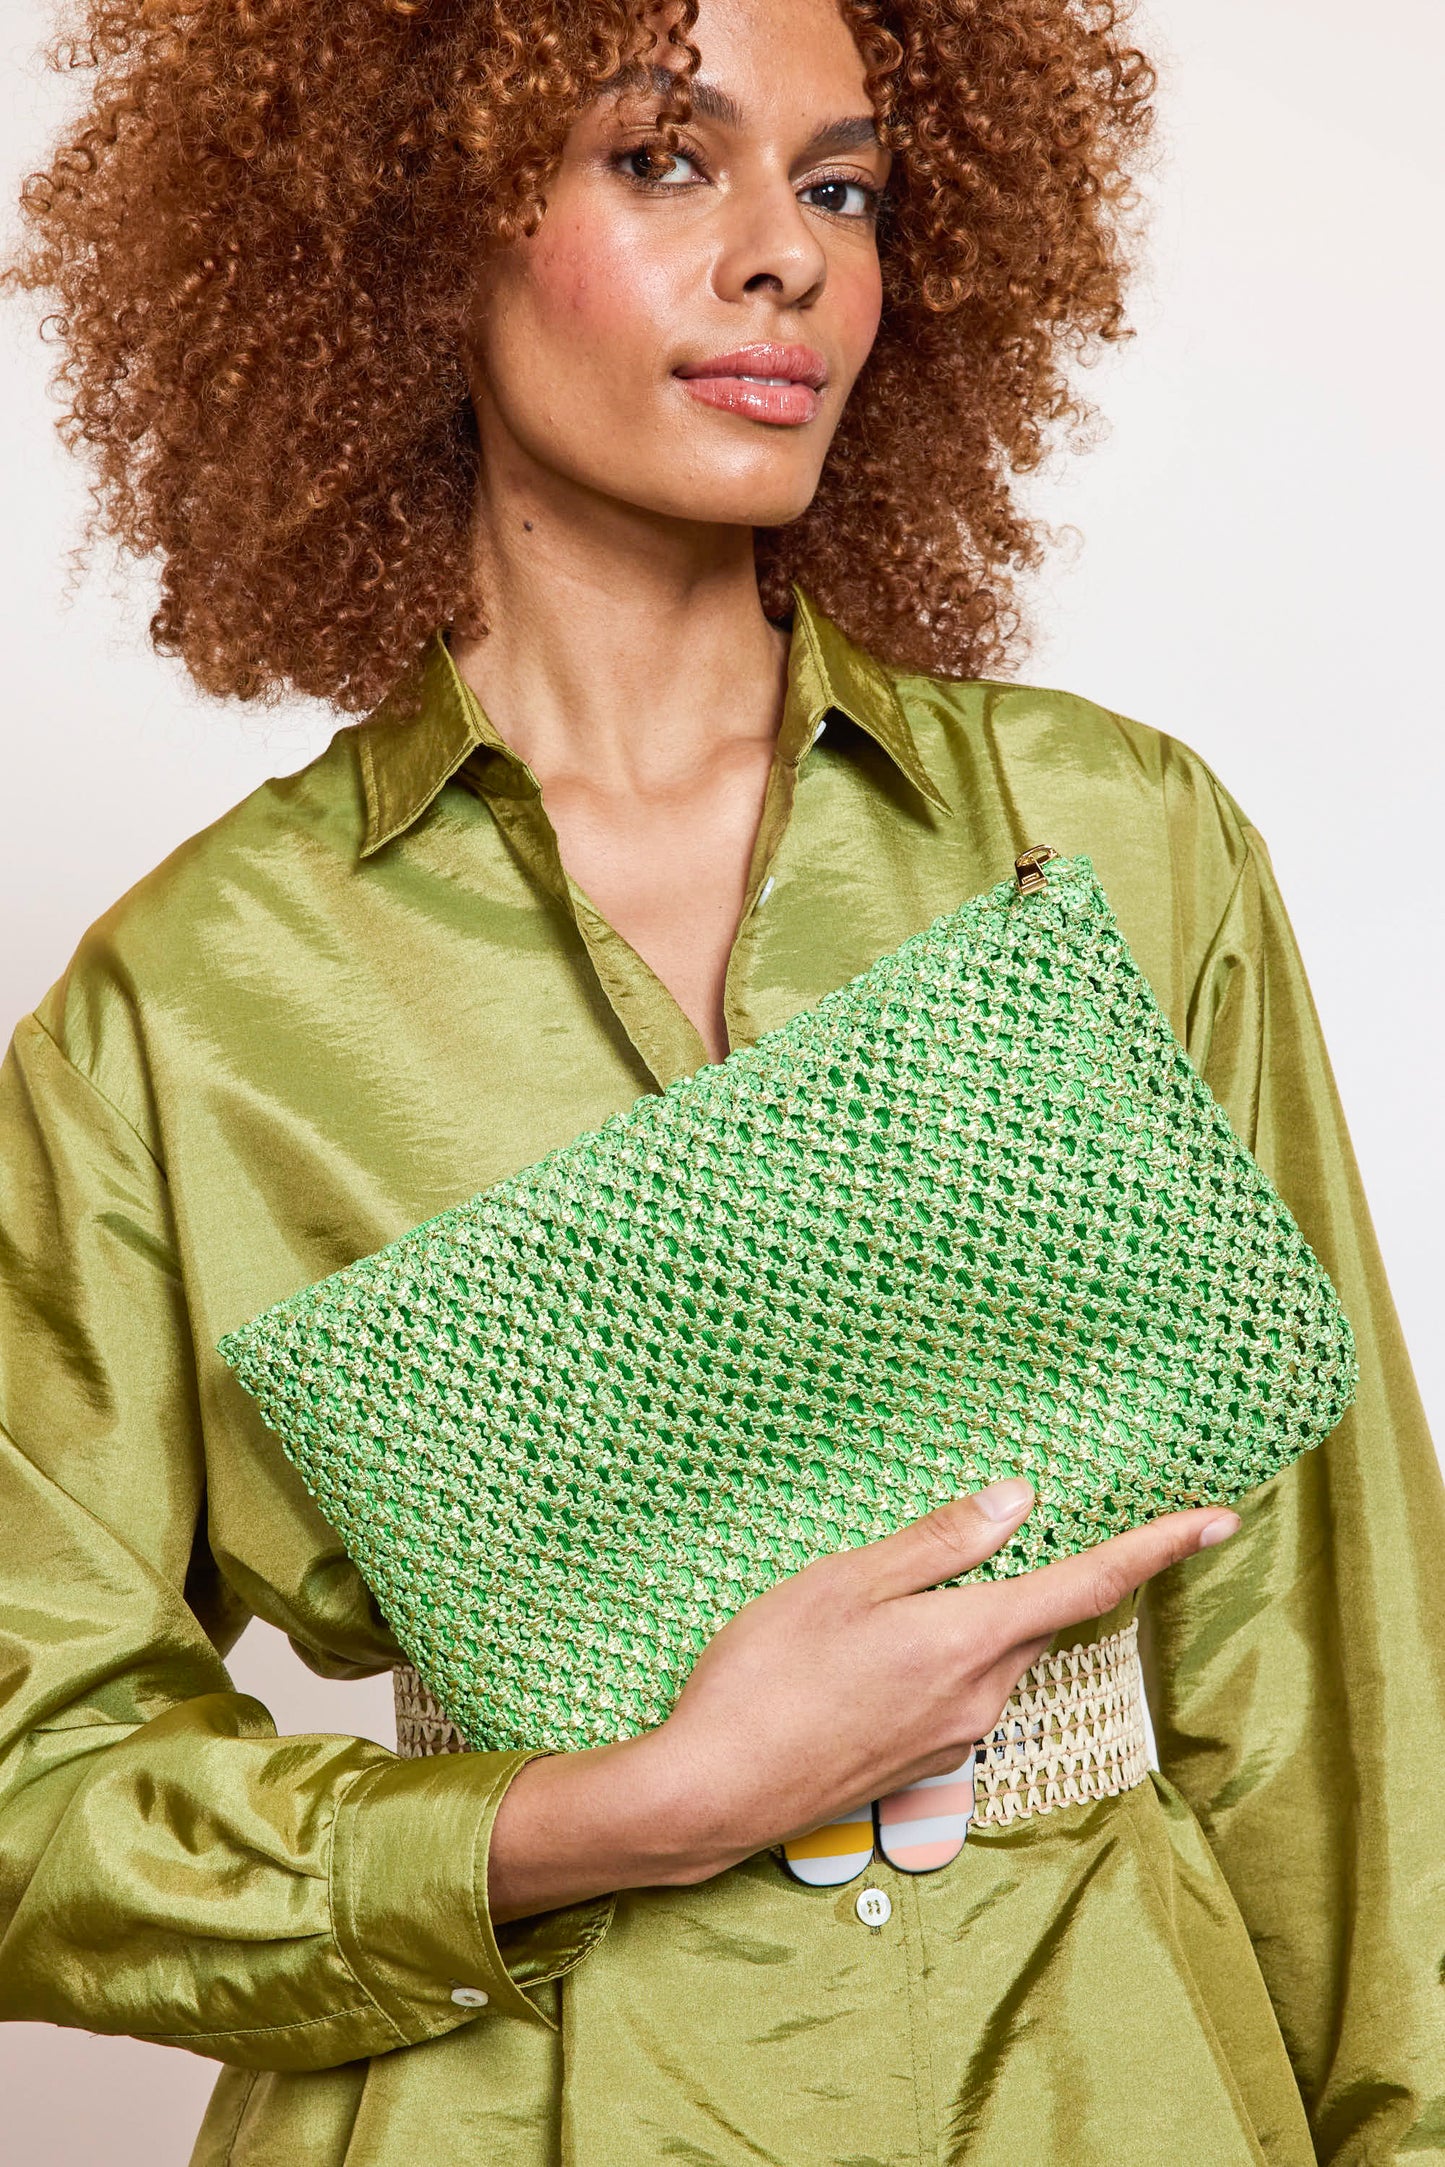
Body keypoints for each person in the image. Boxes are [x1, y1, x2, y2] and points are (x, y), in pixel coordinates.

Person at [1, 0, 1440, 2160]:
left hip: (1099, 2088)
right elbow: (32, 1790)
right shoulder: (190, 1005)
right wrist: (630, 1807)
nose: (787, 255)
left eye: (842, 187)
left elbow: (1338, 1673)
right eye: (662, 157)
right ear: (412, 223)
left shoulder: (1118, 843)